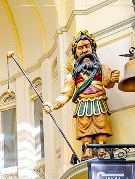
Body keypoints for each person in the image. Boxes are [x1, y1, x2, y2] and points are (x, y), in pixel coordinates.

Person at [43, 30, 121, 158]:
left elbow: (107, 83)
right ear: (76, 52)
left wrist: (113, 78)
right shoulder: (72, 75)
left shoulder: (102, 68)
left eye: (87, 46)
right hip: (83, 104)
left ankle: (102, 148)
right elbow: (66, 94)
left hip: (99, 101)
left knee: (101, 122)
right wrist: (53, 106)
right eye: (80, 48)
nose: (84, 50)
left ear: (92, 48)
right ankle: (87, 150)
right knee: (84, 127)